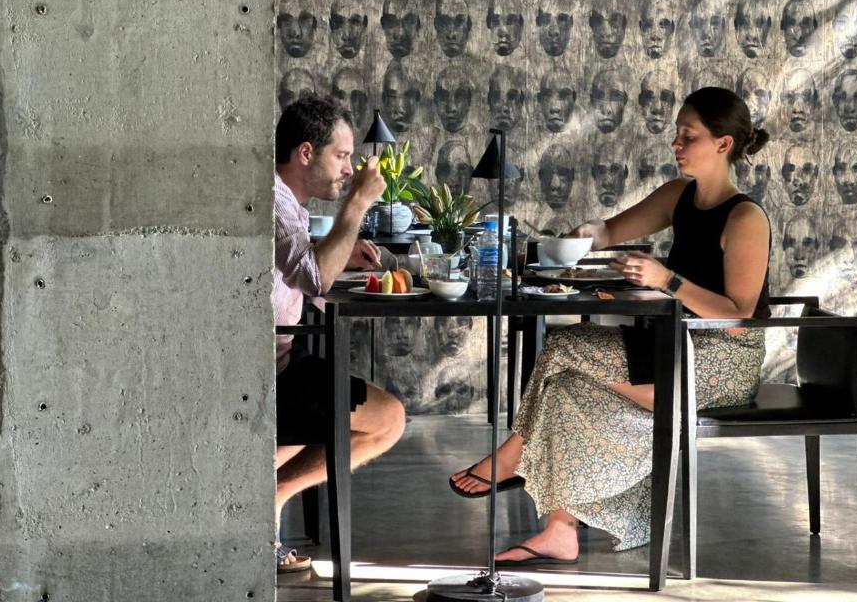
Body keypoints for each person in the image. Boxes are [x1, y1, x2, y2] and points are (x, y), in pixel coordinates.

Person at [450, 86, 771, 564]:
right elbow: (612, 231)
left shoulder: (745, 216)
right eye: (677, 134)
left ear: (723, 145)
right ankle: (561, 531)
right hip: (673, 344)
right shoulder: (680, 195)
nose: (676, 144)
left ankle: (513, 453)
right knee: (562, 389)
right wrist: (586, 235)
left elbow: (739, 316)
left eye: (689, 136)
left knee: (566, 345)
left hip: (721, 363)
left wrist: (669, 280)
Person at [274, 96, 407, 570]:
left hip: (284, 357)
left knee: (378, 416)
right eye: (342, 155)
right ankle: (268, 498)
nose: (349, 169)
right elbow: (314, 281)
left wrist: (329, 249)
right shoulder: (273, 202)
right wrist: (357, 204)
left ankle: (265, 501)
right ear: (306, 153)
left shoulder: (284, 202)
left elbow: (300, 266)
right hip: (266, 376)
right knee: (388, 419)